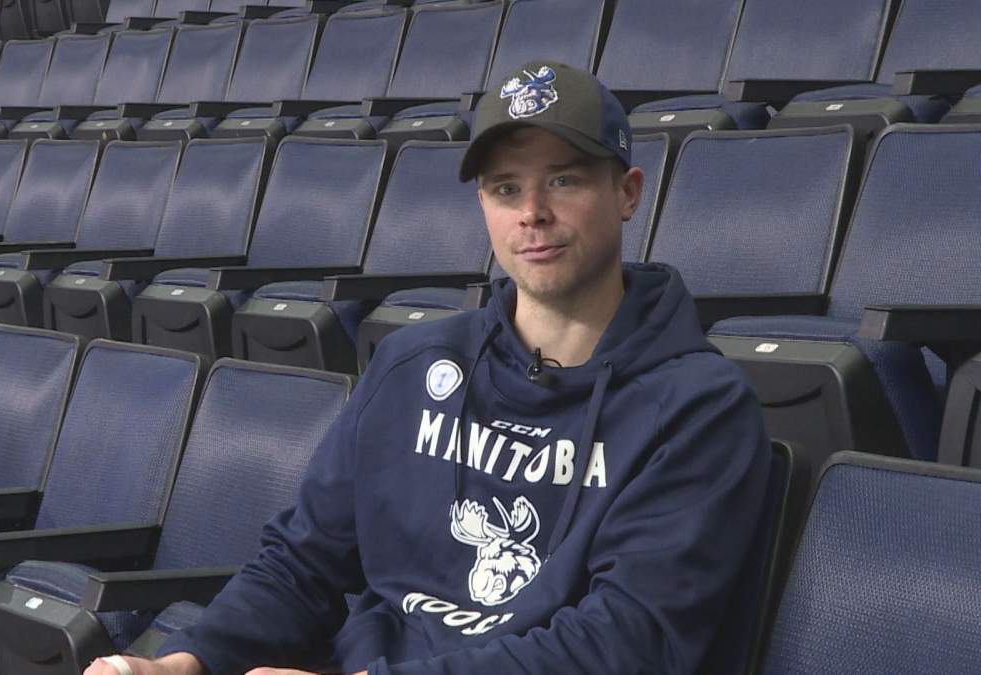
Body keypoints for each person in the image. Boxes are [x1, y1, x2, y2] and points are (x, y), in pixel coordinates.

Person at [85, 61, 771, 675]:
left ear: (627, 192)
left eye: (563, 179)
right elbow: (303, 560)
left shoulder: (698, 408)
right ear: (483, 206)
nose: (533, 213)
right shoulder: (415, 364)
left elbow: (624, 645)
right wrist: (192, 659)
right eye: (506, 188)